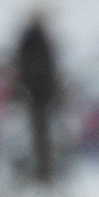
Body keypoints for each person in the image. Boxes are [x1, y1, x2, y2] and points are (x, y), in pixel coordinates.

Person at [12, 11, 62, 183]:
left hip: (37, 94)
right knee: (39, 132)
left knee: (39, 132)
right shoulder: (35, 39)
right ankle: (41, 167)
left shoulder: (34, 39)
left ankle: (42, 168)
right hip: (36, 93)